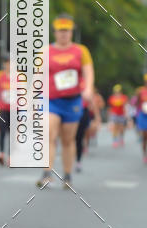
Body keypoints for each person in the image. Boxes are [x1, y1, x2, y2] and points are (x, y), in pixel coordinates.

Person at [37, 15, 94, 190]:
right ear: (55, 32)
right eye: (60, 31)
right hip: (51, 100)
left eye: (66, 31)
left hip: (72, 102)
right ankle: (47, 173)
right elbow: (38, 75)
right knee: (49, 135)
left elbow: (88, 72)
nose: (63, 34)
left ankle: (67, 175)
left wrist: (88, 89)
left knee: (68, 140)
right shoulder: (45, 51)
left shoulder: (81, 51)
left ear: (71, 32)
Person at [107, 84, 128, 148]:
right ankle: (115, 140)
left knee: (121, 128)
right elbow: (110, 107)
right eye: (116, 91)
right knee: (115, 128)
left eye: (118, 91)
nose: (117, 93)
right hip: (114, 114)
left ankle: (121, 138)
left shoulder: (124, 97)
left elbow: (125, 106)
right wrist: (109, 115)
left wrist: (126, 114)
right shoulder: (112, 98)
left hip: (121, 114)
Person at [135, 74, 147, 163]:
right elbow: (137, 103)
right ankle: (144, 154)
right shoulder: (141, 91)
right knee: (144, 136)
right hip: (143, 115)